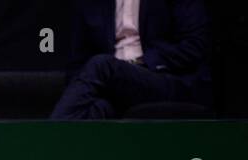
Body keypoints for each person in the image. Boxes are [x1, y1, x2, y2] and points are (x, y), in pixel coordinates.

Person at [50, 0, 213, 119]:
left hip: (166, 79)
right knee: (97, 110)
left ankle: (42, 144)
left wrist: (140, 62)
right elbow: (77, 63)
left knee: (100, 65)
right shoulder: (91, 4)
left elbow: (194, 45)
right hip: (112, 86)